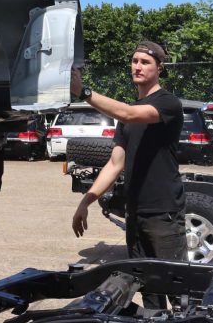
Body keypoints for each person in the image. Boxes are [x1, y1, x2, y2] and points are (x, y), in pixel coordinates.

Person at [70, 41, 185, 311]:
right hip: (134, 214)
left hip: (163, 214)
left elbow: (130, 113)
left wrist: (84, 91)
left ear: (159, 68)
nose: (138, 66)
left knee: (178, 290)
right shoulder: (126, 117)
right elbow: (114, 164)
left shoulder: (168, 103)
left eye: (145, 62)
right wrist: (85, 201)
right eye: (134, 61)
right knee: (148, 290)